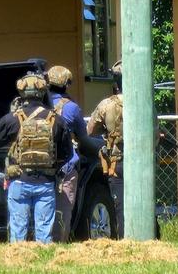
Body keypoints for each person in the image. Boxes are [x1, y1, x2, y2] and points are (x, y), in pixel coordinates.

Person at [0, 73, 72, 243]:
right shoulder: (56, 119)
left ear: (21, 93)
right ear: (43, 92)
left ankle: (18, 264)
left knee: (18, 230)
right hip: (46, 182)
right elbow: (67, 154)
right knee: (44, 233)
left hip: (19, 181)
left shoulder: (13, 118)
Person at [46, 65, 86, 242]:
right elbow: (83, 137)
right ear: (66, 84)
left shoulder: (36, 106)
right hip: (65, 166)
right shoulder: (71, 108)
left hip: (39, 166)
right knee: (63, 209)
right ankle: (60, 243)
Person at [86, 60, 125, 238]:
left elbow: (91, 130)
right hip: (144, 164)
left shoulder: (106, 105)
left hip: (117, 164)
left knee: (120, 207)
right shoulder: (146, 104)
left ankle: (124, 240)